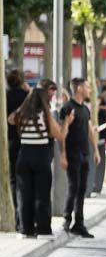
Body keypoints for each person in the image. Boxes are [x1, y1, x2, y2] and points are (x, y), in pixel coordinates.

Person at [9, 80, 67, 239]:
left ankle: (24, 230)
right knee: (41, 194)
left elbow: (10, 119)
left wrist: (24, 105)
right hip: (40, 155)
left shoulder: (22, 114)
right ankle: (42, 229)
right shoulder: (44, 115)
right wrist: (67, 123)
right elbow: (60, 135)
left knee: (24, 194)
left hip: (24, 155)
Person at [58, 79, 102, 237]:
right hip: (72, 154)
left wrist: (96, 150)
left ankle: (79, 223)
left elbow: (90, 130)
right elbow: (61, 135)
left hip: (84, 153)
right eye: (87, 86)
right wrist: (63, 154)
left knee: (82, 189)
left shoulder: (85, 109)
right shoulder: (67, 108)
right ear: (78, 88)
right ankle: (66, 219)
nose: (90, 89)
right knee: (73, 187)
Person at [6, 70, 30, 231]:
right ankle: (23, 219)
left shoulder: (5, 96)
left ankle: (15, 217)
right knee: (25, 181)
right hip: (27, 141)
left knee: (14, 180)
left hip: (10, 140)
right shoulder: (26, 96)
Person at [90, 88, 106, 196]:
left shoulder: (105, 101)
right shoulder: (99, 101)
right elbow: (95, 109)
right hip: (99, 131)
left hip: (103, 130)